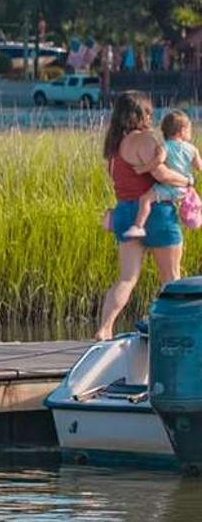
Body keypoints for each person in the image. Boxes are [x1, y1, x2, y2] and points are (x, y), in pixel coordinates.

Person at [95, 92, 192, 340]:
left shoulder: (114, 147)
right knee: (171, 278)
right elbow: (161, 175)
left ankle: (104, 329)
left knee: (126, 278)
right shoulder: (144, 140)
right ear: (138, 114)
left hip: (125, 214)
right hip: (157, 213)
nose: (151, 116)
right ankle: (174, 331)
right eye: (148, 111)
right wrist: (187, 179)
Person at [124, 110, 200, 240]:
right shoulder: (193, 149)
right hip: (184, 188)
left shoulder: (165, 146)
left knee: (145, 199)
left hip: (170, 187)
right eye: (189, 130)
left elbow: (158, 161)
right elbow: (199, 167)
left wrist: (143, 169)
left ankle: (138, 226)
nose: (190, 133)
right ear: (181, 131)